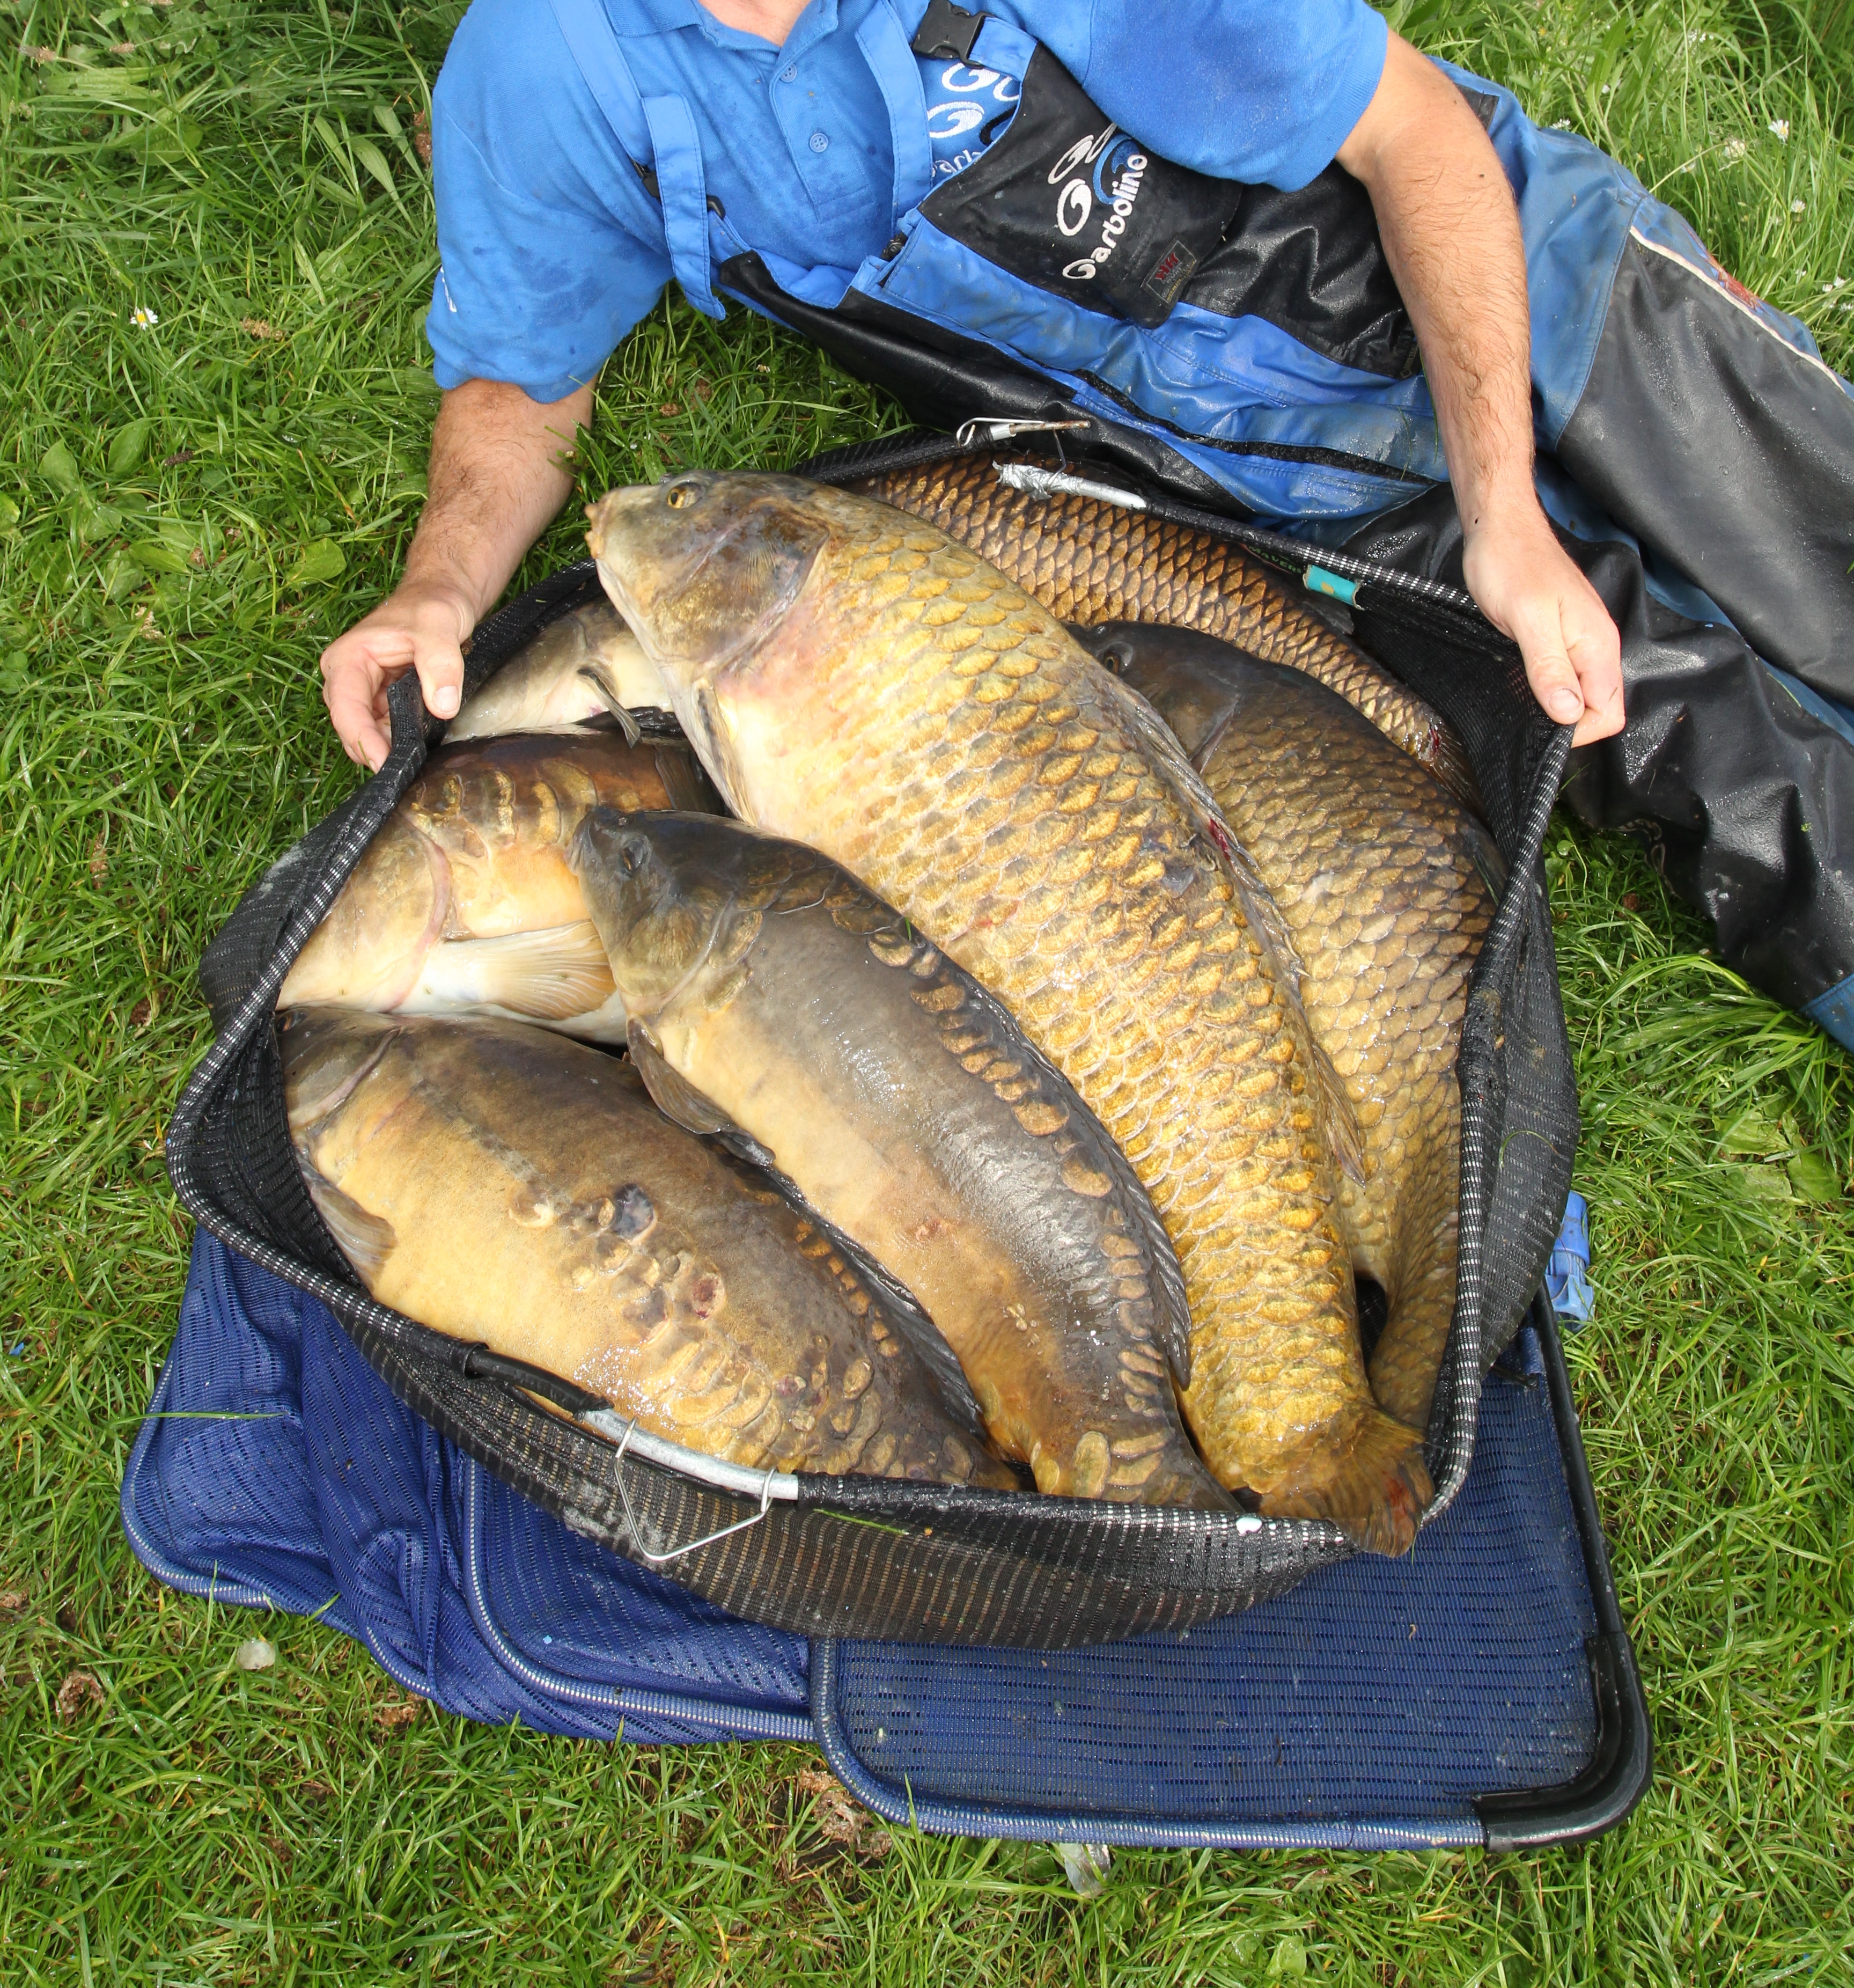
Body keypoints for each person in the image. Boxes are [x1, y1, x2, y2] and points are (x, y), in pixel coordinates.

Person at [320, 0, 1628, 772]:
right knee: (1678, 751)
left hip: (1511, 265)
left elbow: (1405, 126)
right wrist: (438, 588)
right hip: (1234, 478)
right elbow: (520, 388)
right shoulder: (544, 59)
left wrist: (1504, 509)